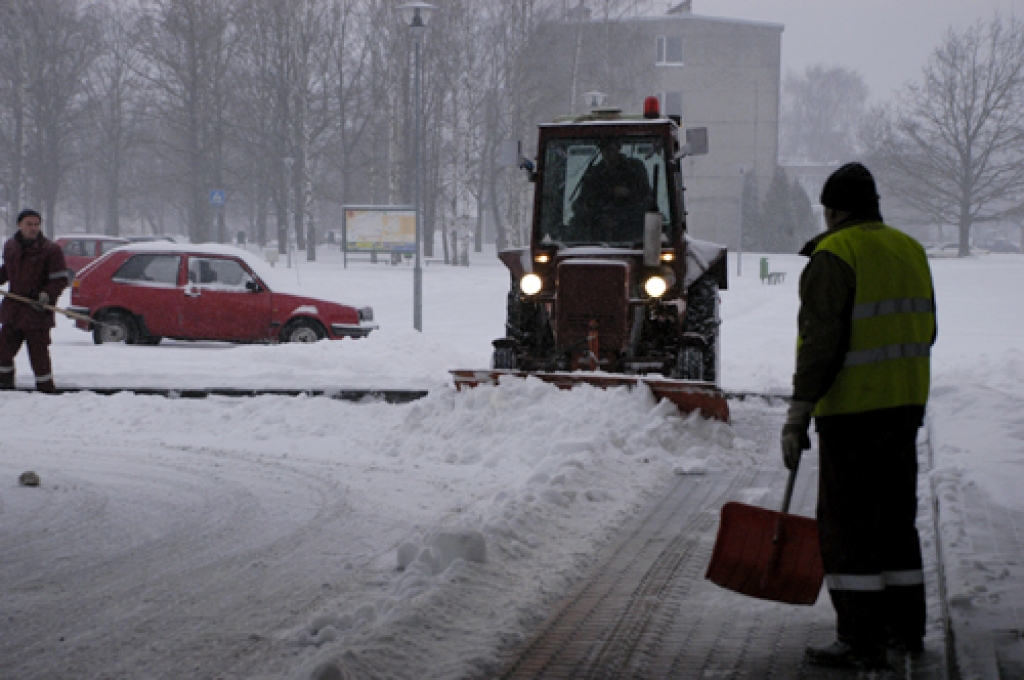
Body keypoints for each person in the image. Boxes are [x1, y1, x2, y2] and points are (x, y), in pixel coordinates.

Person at [781, 163, 936, 670]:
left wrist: (798, 414)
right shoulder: (909, 250)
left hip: (852, 413)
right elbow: (927, 330)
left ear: (832, 210)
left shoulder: (833, 255)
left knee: (849, 528)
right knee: (895, 523)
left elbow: (819, 345)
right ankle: (904, 629)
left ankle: (860, 637)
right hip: (906, 408)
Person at [0, 209, 71, 393]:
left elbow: (60, 279)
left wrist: (46, 295)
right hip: (13, 312)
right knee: (2, 353)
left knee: (39, 357)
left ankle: (46, 391)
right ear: (19, 225)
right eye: (29, 224)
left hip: (37, 313)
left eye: (36, 224)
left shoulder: (50, 250)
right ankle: (4, 386)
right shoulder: (10, 246)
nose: (33, 228)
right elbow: (7, 271)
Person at [570, 138, 653, 242]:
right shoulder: (594, 174)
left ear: (618, 148)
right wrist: (596, 214)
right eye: (604, 150)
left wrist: (628, 196)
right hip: (597, 235)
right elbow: (582, 202)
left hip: (632, 230)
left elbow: (646, 198)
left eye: (611, 149)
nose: (608, 154)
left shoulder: (634, 170)